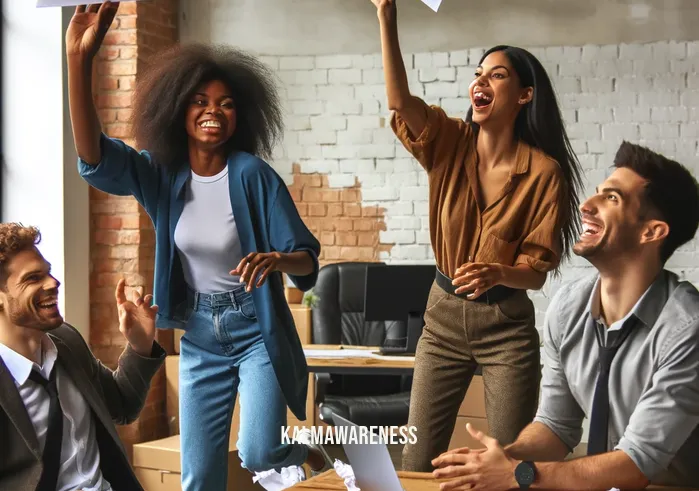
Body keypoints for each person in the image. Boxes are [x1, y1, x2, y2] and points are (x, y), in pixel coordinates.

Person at [66, 3, 328, 491]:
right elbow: (95, 157)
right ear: (177, 109)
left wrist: (276, 259)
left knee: (258, 451)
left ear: (240, 114)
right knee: (200, 477)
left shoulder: (253, 175)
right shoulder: (161, 176)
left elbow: (308, 259)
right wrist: (78, 63)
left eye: (225, 103)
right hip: (201, 334)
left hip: (256, 329)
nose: (213, 112)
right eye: (199, 102)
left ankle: (308, 453)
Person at [368, 0, 585, 471]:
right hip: (441, 319)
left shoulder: (544, 173)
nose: (481, 81)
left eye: (498, 74)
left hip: (505, 327)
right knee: (416, 460)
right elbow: (400, 102)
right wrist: (387, 15)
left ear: (524, 95)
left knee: (506, 461)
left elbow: (534, 274)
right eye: (478, 73)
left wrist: (498, 272)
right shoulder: (448, 141)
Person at [432, 141, 699, 490]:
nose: (587, 206)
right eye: (598, 194)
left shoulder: (686, 329)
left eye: (612, 199)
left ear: (652, 231)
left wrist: (518, 475)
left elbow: (636, 463)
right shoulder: (567, 307)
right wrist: (500, 461)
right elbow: (556, 426)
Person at [0, 223, 165, 491]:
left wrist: (139, 345)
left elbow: (122, 406)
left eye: (48, 272)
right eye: (32, 278)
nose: (53, 283)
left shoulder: (67, 340)